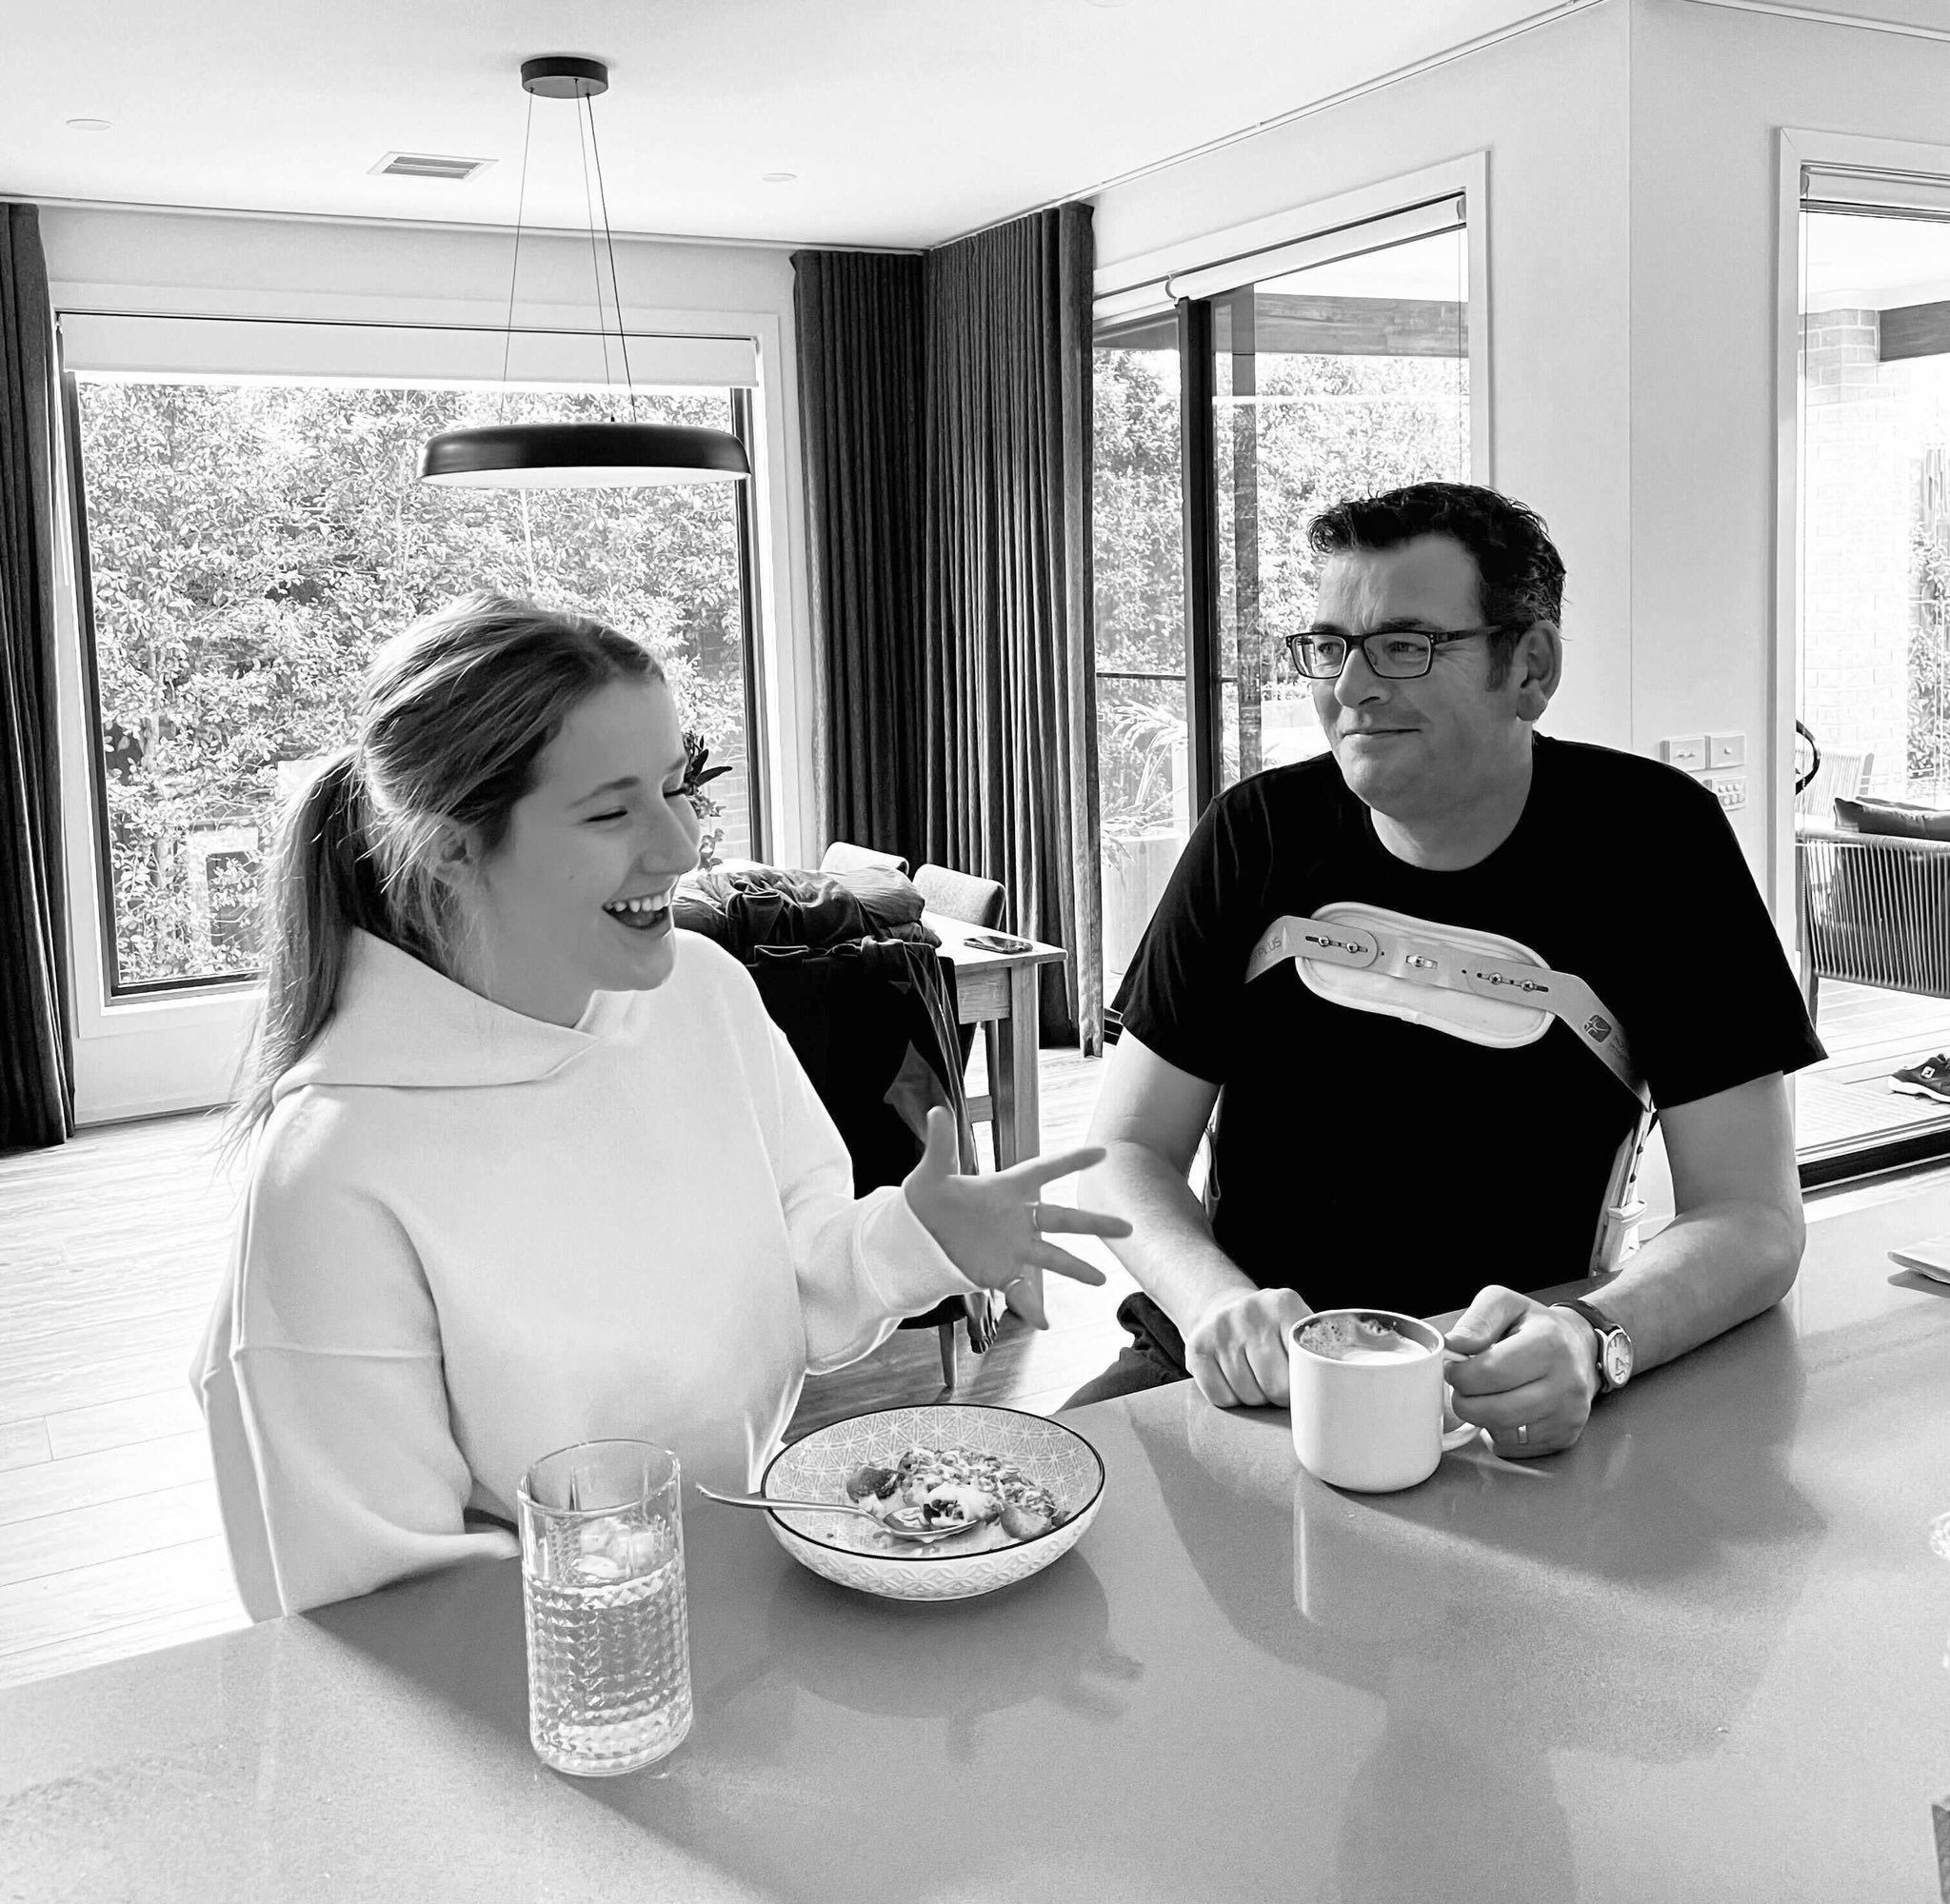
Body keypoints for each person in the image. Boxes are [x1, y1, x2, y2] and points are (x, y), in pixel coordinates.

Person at [195, 592, 1124, 1618]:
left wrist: (914, 1237)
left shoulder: (701, 991)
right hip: (542, 1671)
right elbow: (383, 1610)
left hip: (737, 1593)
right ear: (453, 845)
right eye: (610, 811)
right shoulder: (333, 1169)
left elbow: (792, 1278)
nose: (681, 847)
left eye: (678, 786)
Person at [1074, 482, 1821, 1455]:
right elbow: (1124, 1153)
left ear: (1531, 667)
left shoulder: (1654, 845)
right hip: (1231, 1374)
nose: (1351, 687)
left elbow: (1754, 1217)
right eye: (1329, 647)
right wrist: (1215, 1301)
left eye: (1405, 646)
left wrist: (1593, 1336)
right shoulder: (1254, 835)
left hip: (1496, 1395)